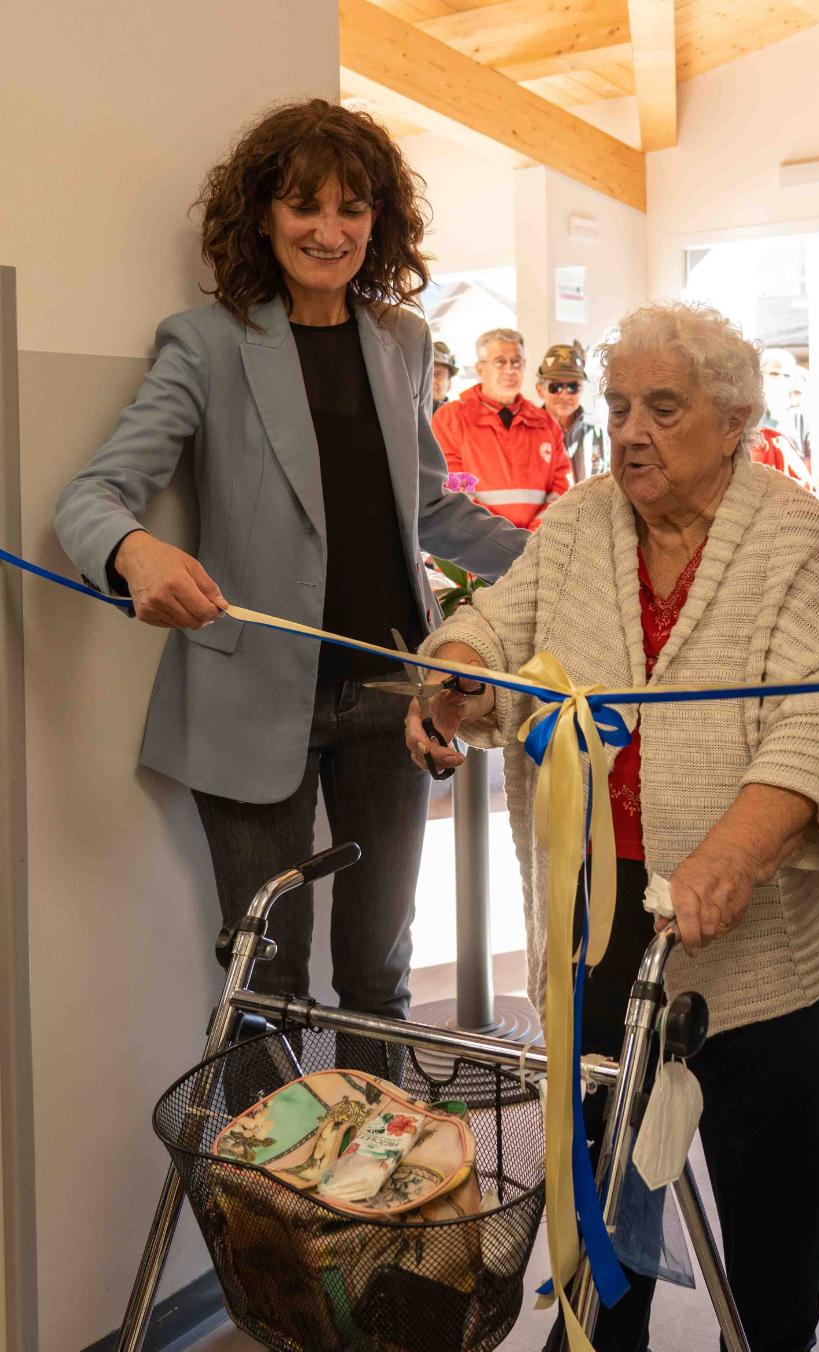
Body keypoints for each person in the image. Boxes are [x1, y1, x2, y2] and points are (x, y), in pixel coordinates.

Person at [406, 302, 819, 1352]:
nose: (630, 432)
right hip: (603, 914)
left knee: (770, 1190)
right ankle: (600, 1330)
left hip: (773, 934)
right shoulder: (579, 522)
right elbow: (499, 622)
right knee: (602, 1156)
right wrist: (456, 668)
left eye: (663, 409)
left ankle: (766, 1338)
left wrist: (731, 856)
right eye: (621, 405)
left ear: (733, 421)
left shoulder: (793, 533)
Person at [54, 99, 528, 1030]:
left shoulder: (403, 341)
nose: (329, 231)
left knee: (381, 980)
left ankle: (377, 1135)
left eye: (352, 208)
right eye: (305, 206)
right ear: (263, 215)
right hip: (248, 704)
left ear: (379, 220)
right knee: (267, 990)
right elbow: (91, 497)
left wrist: (564, 557)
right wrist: (133, 550)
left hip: (392, 694)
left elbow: (430, 508)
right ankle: (276, 1139)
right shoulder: (206, 344)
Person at [432, 327, 572, 529]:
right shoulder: (450, 419)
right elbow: (452, 489)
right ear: (480, 369)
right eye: (500, 362)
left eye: (516, 362)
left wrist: (535, 536)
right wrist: (501, 539)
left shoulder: (547, 424)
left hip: (538, 542)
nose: (510, 370)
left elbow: (562, 490)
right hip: (475, 542)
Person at [534, 340, 606, 481]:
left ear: (582, 389)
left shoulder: (598, 434)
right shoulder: (527, 435)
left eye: (573, 387)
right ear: (540, 390)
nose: (565, 395)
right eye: (555, 387)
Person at [432, 339, 459, 413]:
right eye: (427, 375)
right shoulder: (405, 414)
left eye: (438, 374)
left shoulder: (458, 417)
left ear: (449, 383)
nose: (432, 380)